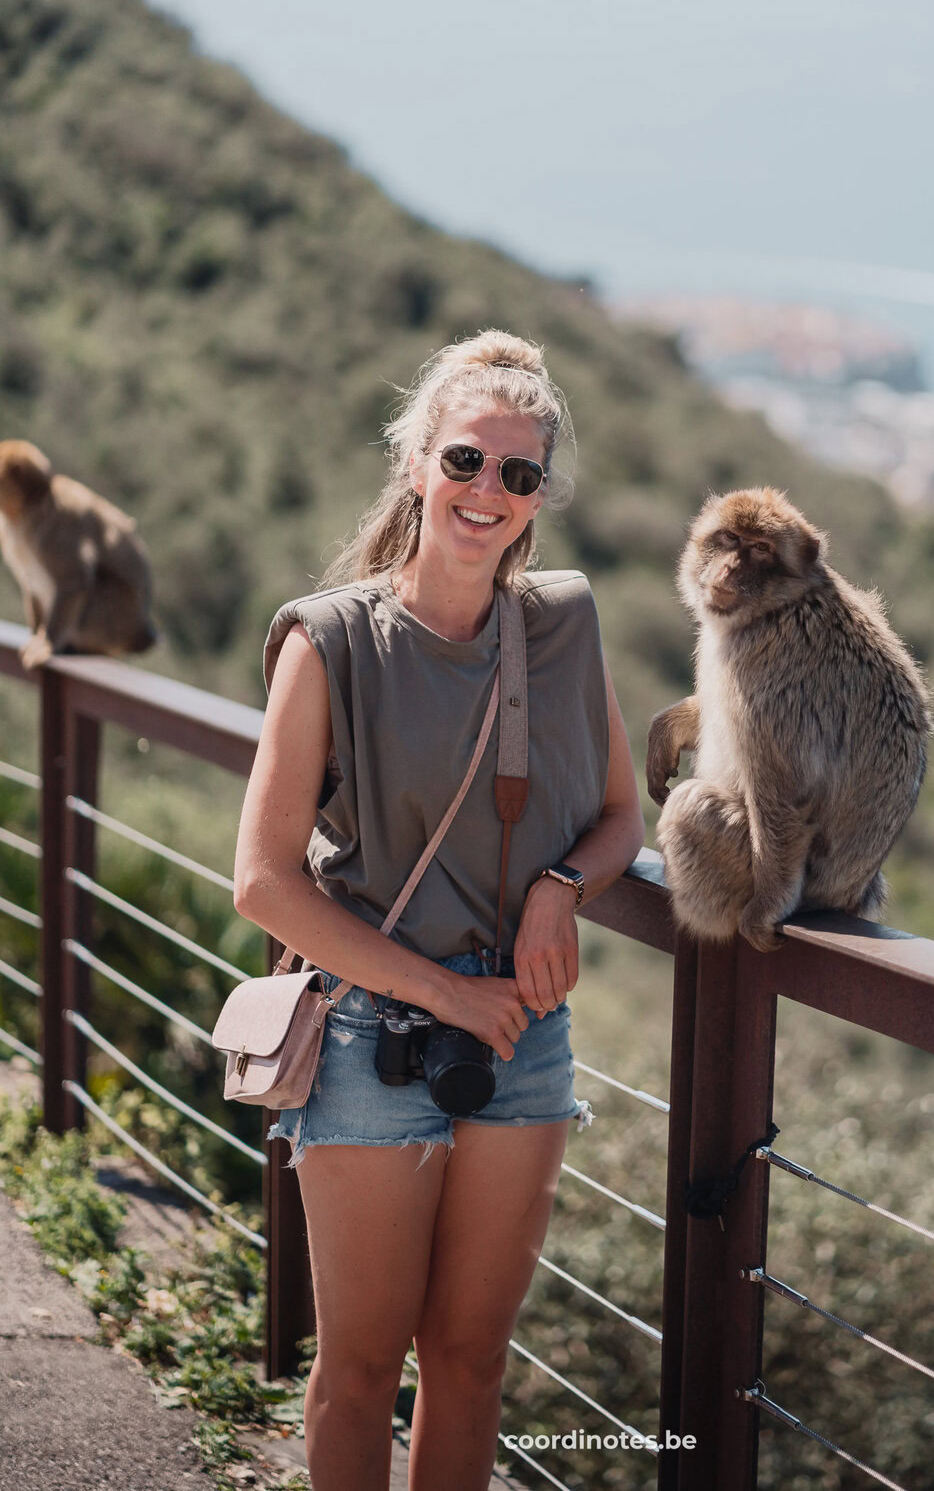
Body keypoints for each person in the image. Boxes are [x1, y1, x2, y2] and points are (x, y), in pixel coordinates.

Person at [233, 330, 645, 1491]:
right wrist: (441, 987)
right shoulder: (330, 639)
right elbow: (263, 881)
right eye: (466, 460)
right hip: (371, 1035)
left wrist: (562, 891)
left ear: (540, 496)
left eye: (519, 475)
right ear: (418, 461)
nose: (488, 492)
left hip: (521, 1035)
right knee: (359, 1369)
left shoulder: (561, 625)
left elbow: (621, 812)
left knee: (469, 1360)